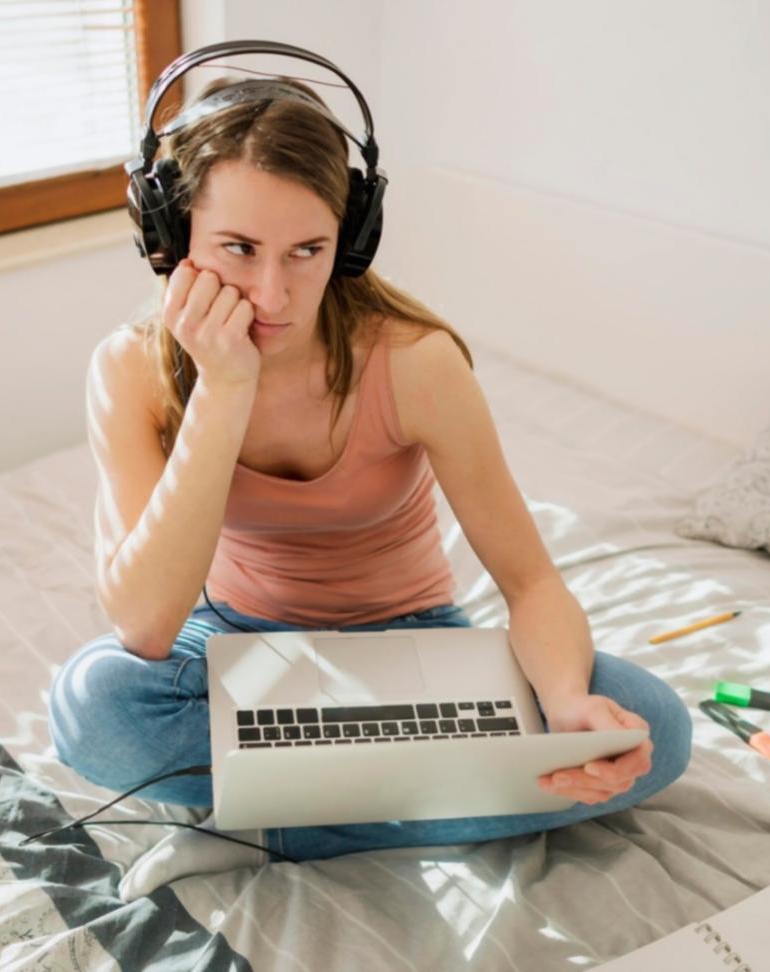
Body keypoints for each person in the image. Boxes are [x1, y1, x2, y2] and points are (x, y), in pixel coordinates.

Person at [47, 74, 691, 877]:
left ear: (350, 241)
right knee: (93, 707)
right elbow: (144, 626)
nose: (274, 294)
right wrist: (224, 388)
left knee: (656, 727)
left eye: (308, 251)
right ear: (170, 238)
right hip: (237, 644)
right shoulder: (130, 369)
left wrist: (565, 707)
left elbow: (531, 584)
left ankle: (261, 824)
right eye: (238, 249)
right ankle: (413, 796)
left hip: (410, 648)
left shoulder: (416, 363)